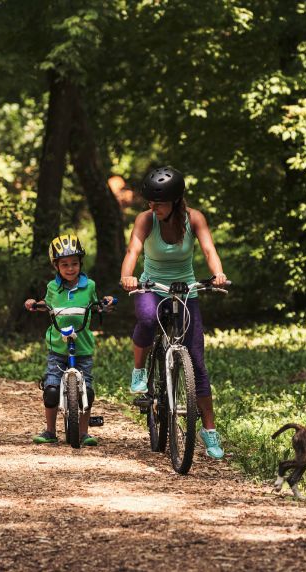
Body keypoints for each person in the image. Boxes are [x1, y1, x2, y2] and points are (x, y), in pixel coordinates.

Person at [119, 166, 229, 459]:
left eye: (159, 204)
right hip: (151, 286)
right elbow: (133, 251)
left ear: (176, 201)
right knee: (145, 318)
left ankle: (209, 431)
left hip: (185, 290)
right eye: (150, 203)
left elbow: (208, 250)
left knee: (197, 360)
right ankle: (139, 372)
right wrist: (128, 276)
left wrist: (217, 274)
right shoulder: (146, 220)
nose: (152, 208)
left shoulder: (194, 219)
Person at [24, 232, 114, 447]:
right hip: (58, 347)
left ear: (81, 263)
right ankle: (50, 431)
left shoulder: (89, 285)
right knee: (52, 390)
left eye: (74, 263)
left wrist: (106, 303)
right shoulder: (53, 287)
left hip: (82, 347)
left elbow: (97, 303)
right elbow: (46, 303)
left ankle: (83, 432)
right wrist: (34, 304)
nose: (71, 268)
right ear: (56, 266)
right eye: (65, 264)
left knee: (87, 391)